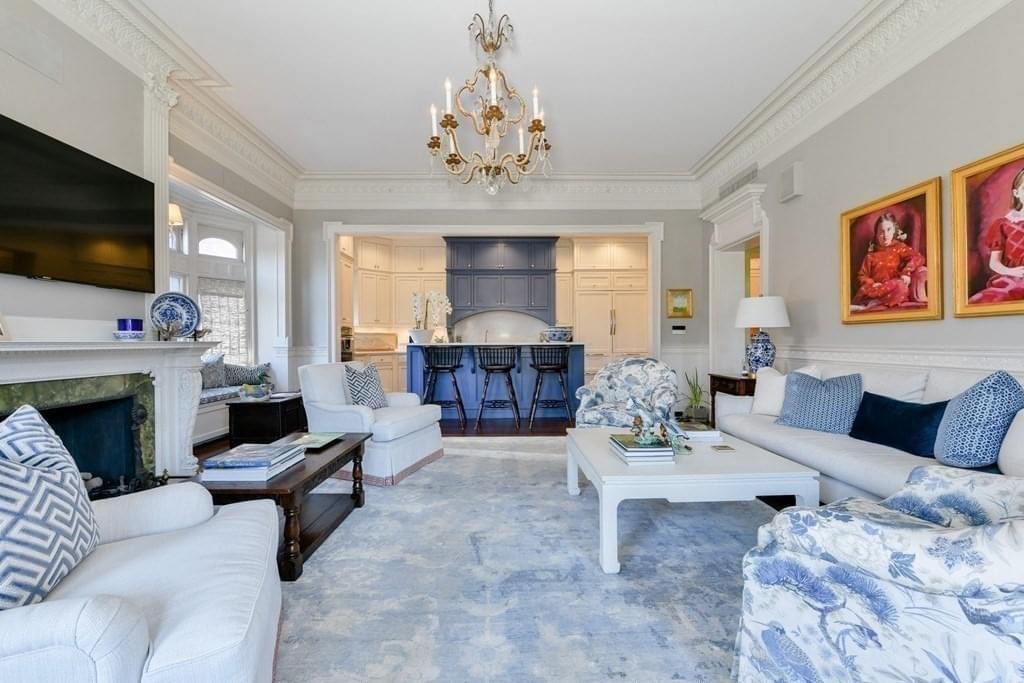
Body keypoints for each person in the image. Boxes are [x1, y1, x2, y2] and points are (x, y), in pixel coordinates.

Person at [969, 167, 1024, 303]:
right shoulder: (1003, 225)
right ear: (1016, 193)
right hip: (1013, 279)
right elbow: (994, 263)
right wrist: (1013, 272)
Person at [852, 211, 926, 310]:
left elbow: (918, 258)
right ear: (877, 234)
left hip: (893, 289)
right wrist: (872, 283)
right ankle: (871, 302)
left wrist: (906, 271)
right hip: (874, 290)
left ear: (894, 231)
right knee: (865, 290)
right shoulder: (870, 256)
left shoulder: (899, 247)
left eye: (888, 230)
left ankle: (874, 304)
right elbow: (862, 275)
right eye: (881, 231)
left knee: (900, 286)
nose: (885, 234)